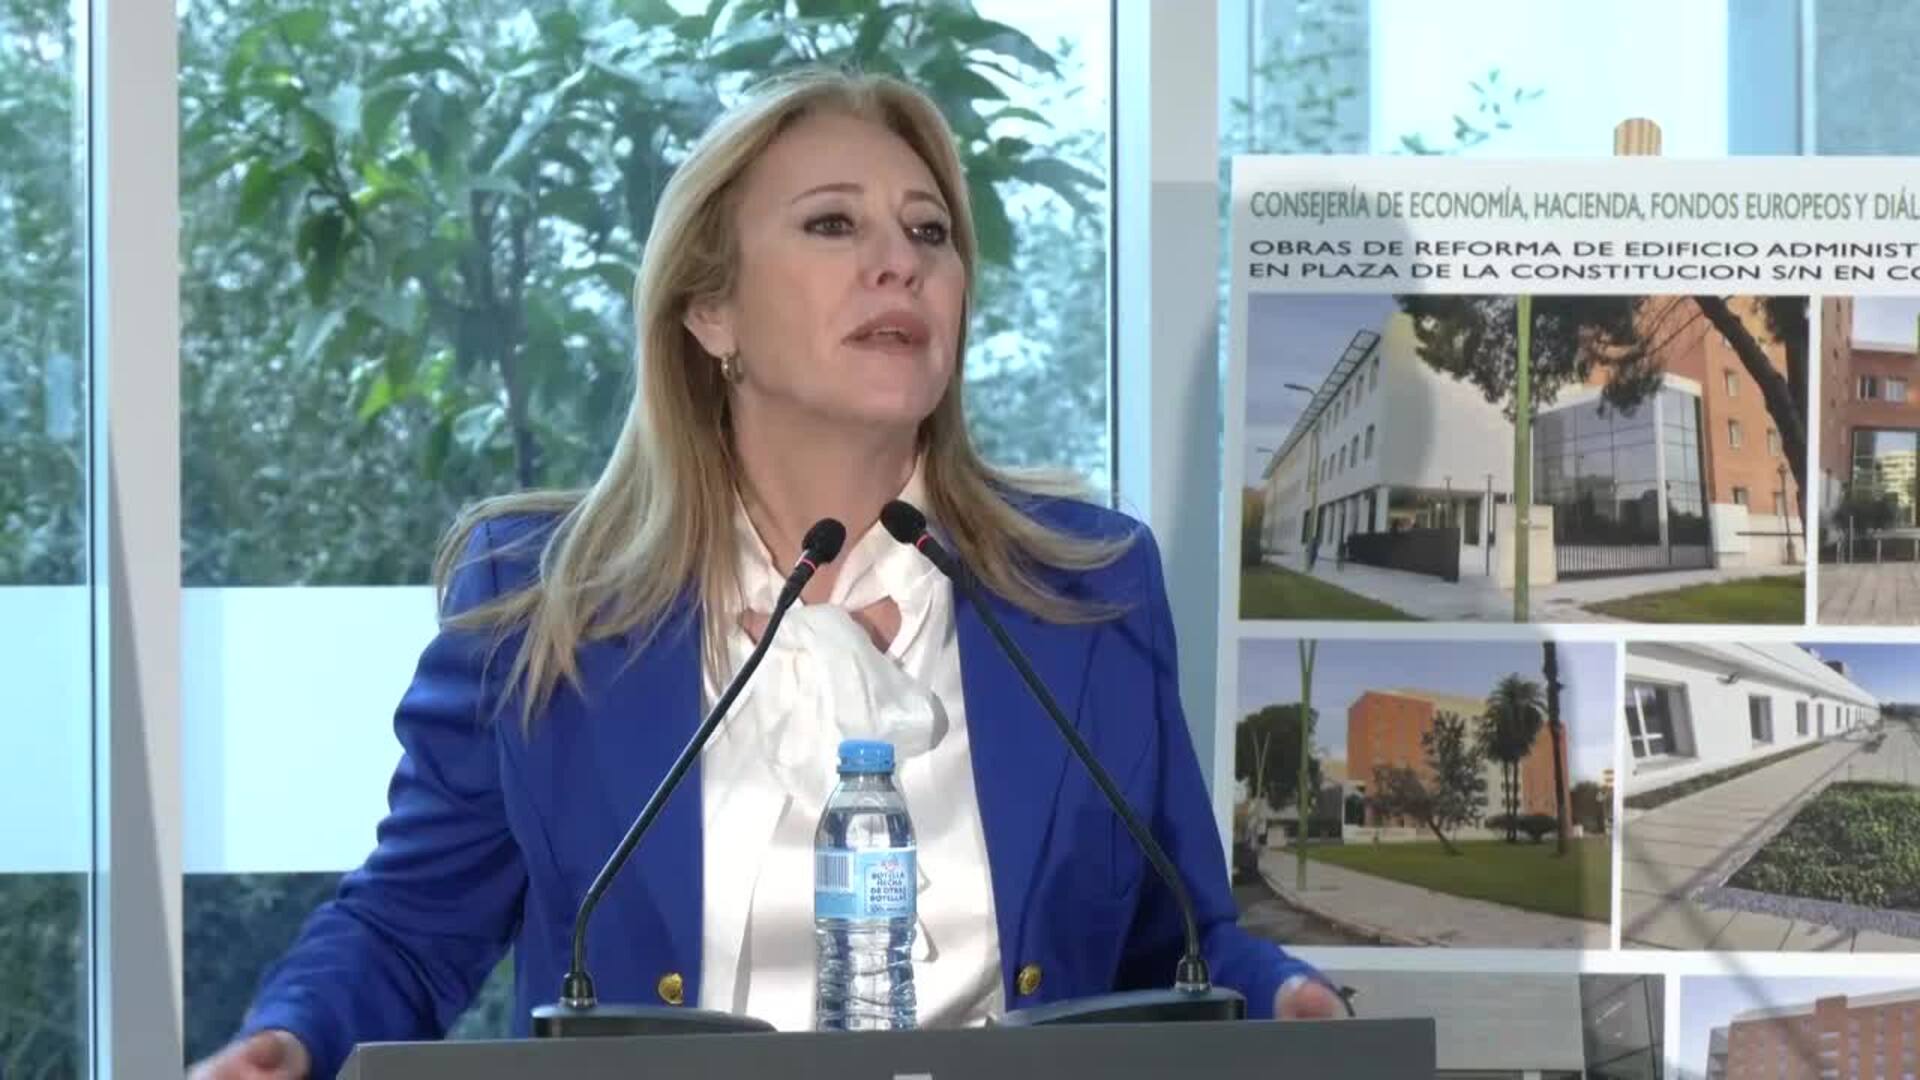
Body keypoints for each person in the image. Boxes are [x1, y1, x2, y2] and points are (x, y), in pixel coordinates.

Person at [189, 67, 1338, 1080]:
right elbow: (408, 930)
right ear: (710, 310)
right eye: (834, 224)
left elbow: (1177, 946)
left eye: (930, 233)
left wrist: (1285, 999)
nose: (900, 264)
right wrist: (292, 1039)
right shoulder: (541, 604)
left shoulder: (1088, 588)